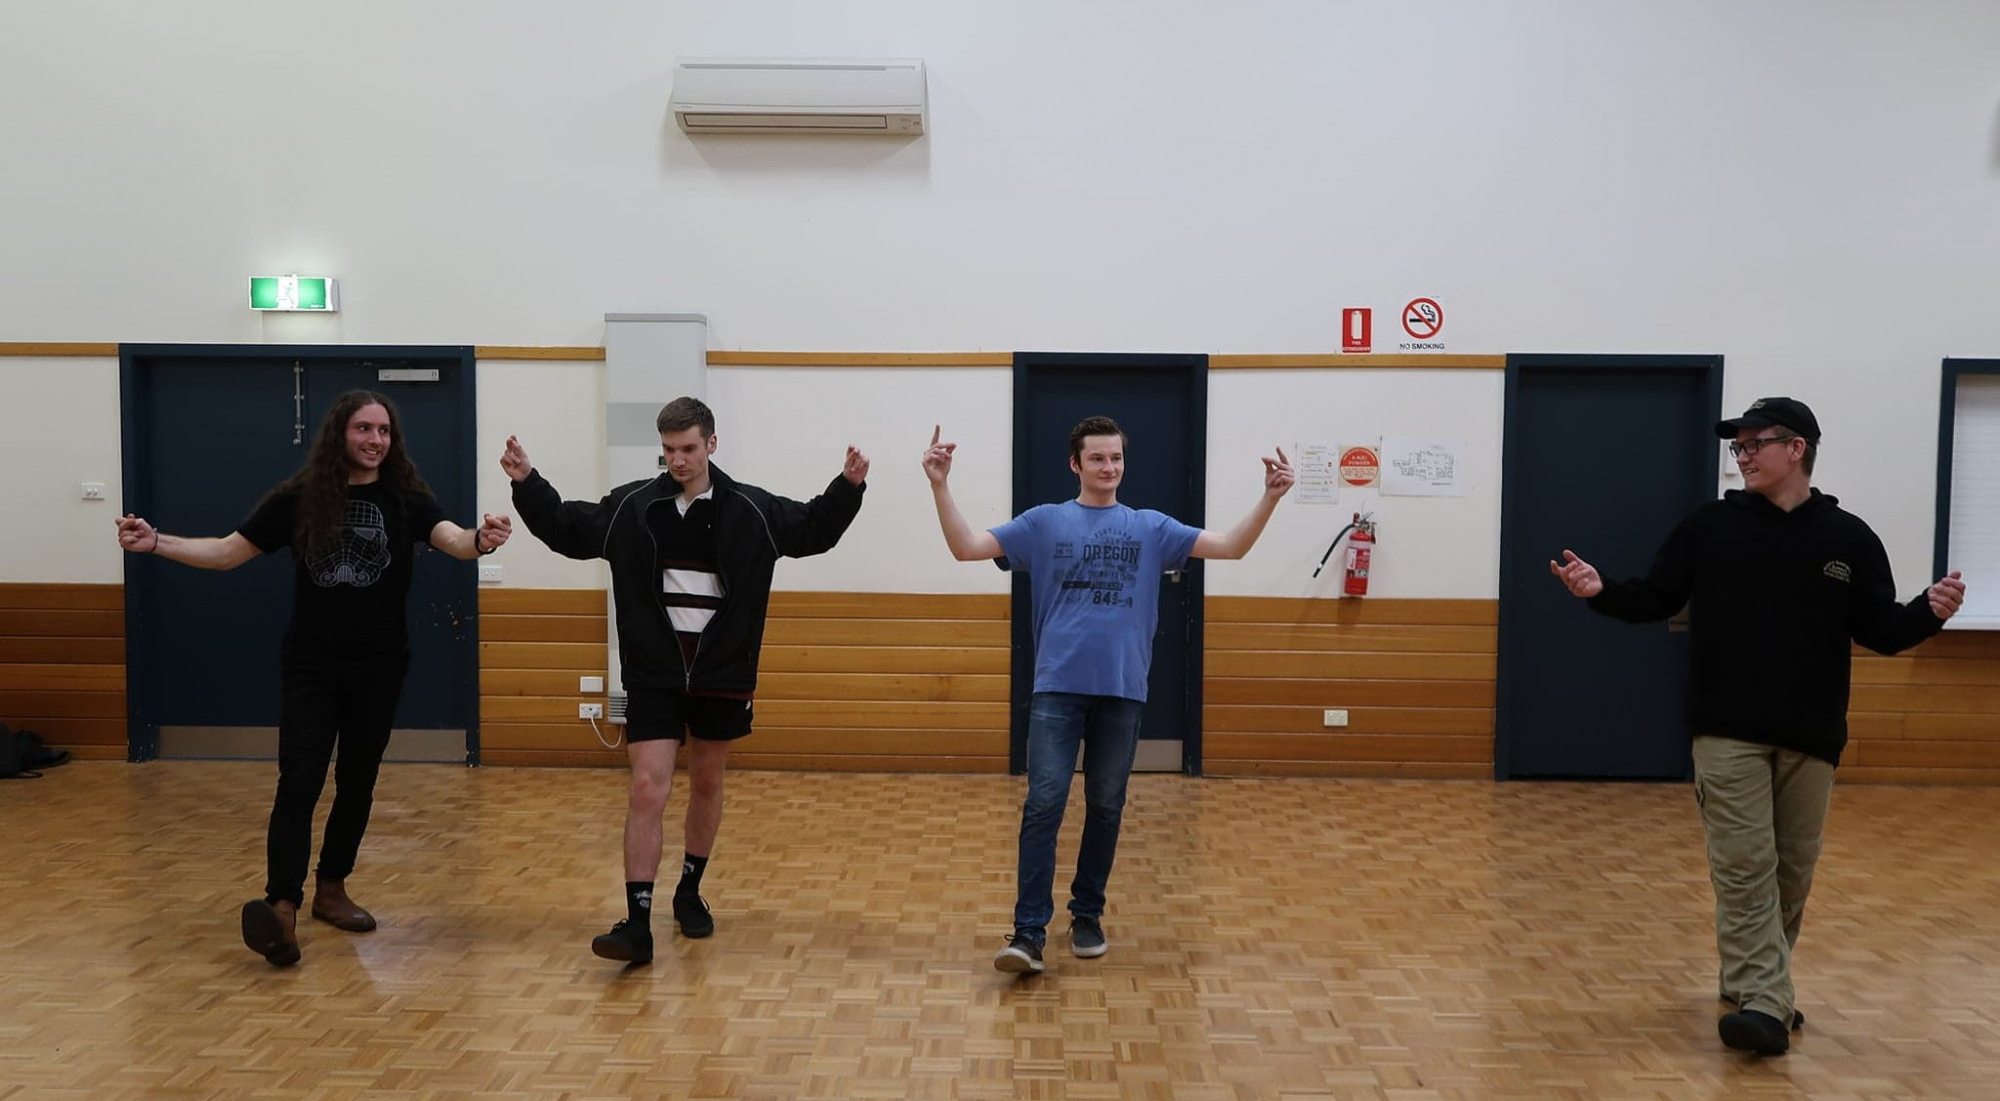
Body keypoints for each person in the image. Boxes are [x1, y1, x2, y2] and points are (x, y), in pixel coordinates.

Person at [1551, 396, 1965, 1055]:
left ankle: (1748, 981)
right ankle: (1769, 1004)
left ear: (1796, 448)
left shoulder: (1849, 538)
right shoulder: (1709, 527)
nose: (1741, 457)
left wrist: (1930, 612)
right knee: (1745, 865)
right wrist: (1601, 591)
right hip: (1726, 728)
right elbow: (1656, 596)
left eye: (1753, 444)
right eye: (1737, 447)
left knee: (1790, 871)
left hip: (1813, 732)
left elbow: (1881, 630)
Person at [115, 390, 512, 967]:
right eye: (364, 429)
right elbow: (226, 553)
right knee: (298, 780)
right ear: (339, 434)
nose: (376, 440)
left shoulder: (406, 497)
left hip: (380, 665)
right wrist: (157, 542)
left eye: (384, 430)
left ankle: (332, 888)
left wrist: (482, 538)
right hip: (312, 665)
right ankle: (282, 906)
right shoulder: (298, 499)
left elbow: (453, 540)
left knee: (357, 780)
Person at [923, 417, 1296, 976]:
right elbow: (966, 548)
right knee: (1044, 804)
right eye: (1097, 458)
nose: (1109, 467)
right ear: (1075, 464)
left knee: (1105, 805)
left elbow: (1230, 547)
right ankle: (1028, 934)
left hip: (1123, 690)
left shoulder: (1151, 527)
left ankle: (1087, 914)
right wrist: (940, 484)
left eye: (1116, 458)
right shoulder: (1043, 522)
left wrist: (1270, 497)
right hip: (1056, 688)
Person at [503, 396, 868, 965]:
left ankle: (689, 891)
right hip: (654, 674)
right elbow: (567, 528)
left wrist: (847, 487)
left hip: (722, 673)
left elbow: (813, 529)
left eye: (689, 448)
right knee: (647, 788)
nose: (678, 460)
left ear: (711, 445)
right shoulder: (633, 508)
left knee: (706, 781)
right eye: (669, 449)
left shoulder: (750, 509)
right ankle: (637, 924)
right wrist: (528, 482)